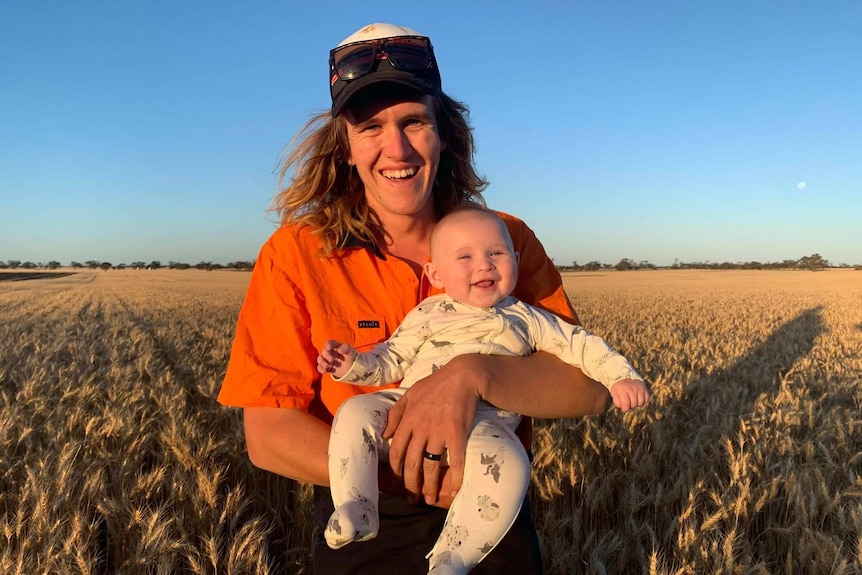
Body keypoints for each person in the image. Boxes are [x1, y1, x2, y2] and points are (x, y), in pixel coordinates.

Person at [217, 22, 611, 574]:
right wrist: (404, 470)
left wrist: (472, 375)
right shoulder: (295, 254)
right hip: (362, 519)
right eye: (370, 126)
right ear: (345, 146)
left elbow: (589, 388)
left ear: (444, 132)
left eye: (414, 121)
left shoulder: (506, 239)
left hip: (490, 516)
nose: (395, 148)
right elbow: (268, 434)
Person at [317, 206, 649, 573]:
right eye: (465, 257)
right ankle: (359, 506)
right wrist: (352, 366)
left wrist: (621, 376)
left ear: (517, 261)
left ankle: (455, 554)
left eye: (497, 253)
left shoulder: (527, 317)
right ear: (436, 274)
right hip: (405, 416)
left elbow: (580, 345)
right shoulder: (429, 313)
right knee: (354, 414)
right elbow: (390, 358)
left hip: (482, 433)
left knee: (512, 463)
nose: (484, 265)